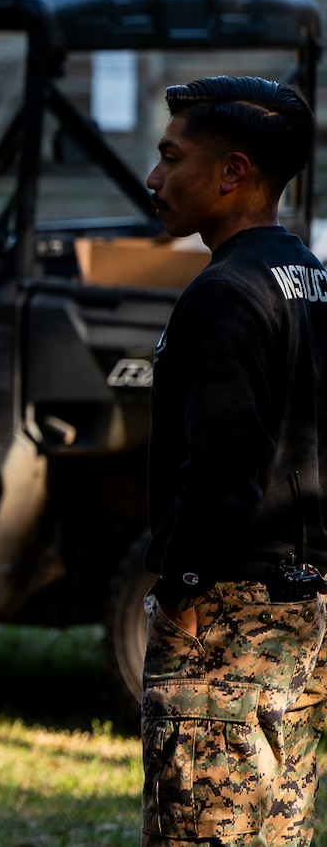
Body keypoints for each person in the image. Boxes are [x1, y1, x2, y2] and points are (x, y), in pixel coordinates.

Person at [139, 75, 327, 846]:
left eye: (170, 156)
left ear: (232, 172)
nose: (155, 178)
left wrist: (180, 592)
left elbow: (223, 466)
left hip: (229, 617)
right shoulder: (309, 275)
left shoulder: (226, 290)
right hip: (304, 612)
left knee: (202, 827)